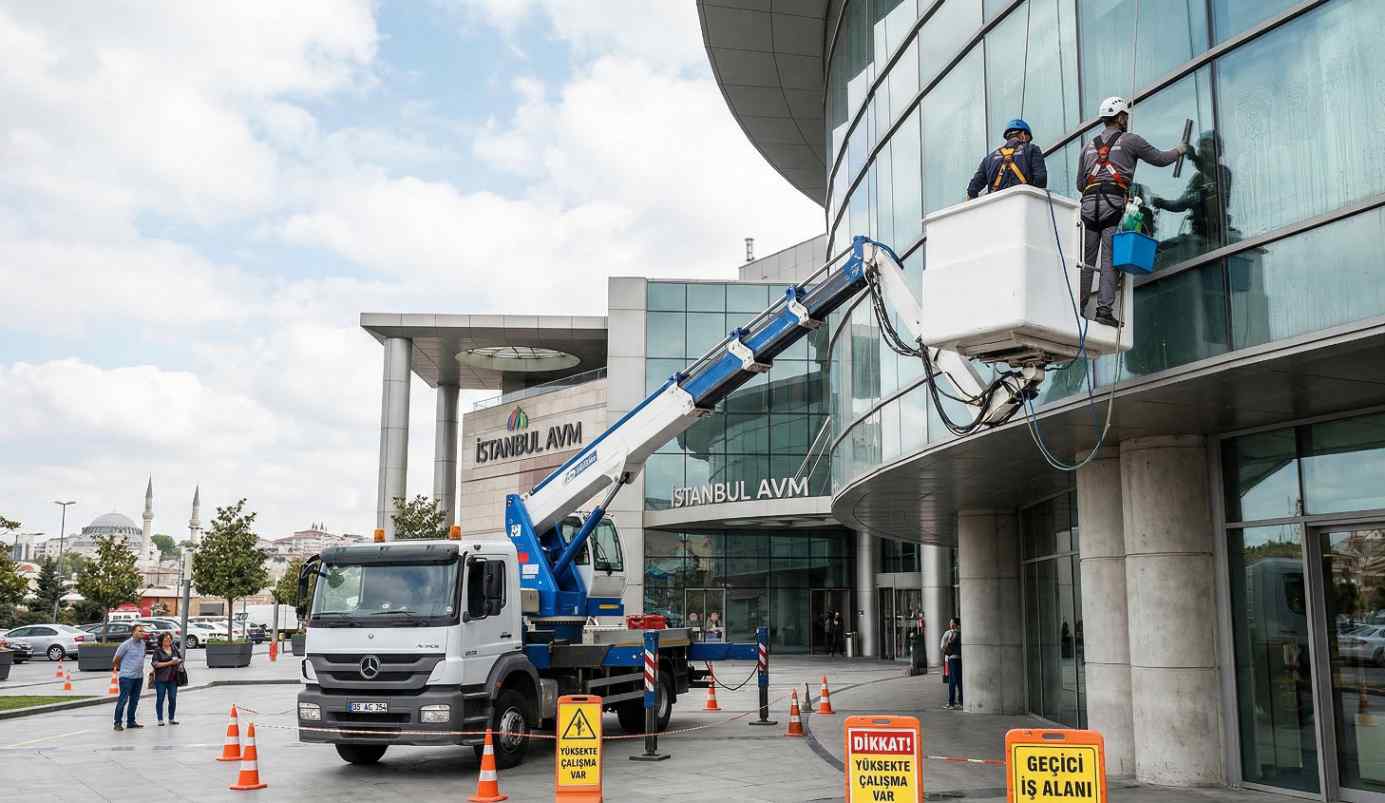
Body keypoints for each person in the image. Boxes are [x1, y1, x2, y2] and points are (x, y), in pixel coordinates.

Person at [1076, 96, 1190, 327]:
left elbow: (1080, 184)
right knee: (1109, 257)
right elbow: (1159, 159)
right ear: (1120, 118)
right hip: (1112, 203)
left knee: (1087, 260)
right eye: (1125, 116)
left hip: (1088, 206)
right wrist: (1179, 150)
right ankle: (1104, 310)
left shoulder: (1087, 147)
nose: (1126, 120)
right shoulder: (1130, 141)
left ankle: (1078, 306)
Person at [967, 118, 1048, 200]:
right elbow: (1041, 178)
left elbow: (972, 189)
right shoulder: (1032, 149)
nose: (1027, 142)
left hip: (997, 204)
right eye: (1027, 139)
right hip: (1022, 200)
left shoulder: (988, 159)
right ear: (1023, 135)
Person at [112, 623, 148, 731]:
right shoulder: (126, 645)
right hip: (127, 677)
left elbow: (142, 656)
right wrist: (123, 669)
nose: (142, 633)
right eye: (140, 631)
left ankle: (131, 722)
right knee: (123, 700)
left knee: (134, 700)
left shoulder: (143, 644)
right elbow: (116, 660)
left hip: (139, 676)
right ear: (133, 632)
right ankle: (117, 722)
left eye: (143, 631)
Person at [151, 632, 183, 726]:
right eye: (165, 639)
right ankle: (160, 719)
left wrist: (178, 662)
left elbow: (180, 658)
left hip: (173, 678)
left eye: (169, 639)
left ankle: (171, 718)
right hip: (161, 679)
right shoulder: (158, 651)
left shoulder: (174, 649)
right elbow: (155, 664)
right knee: (160, 698)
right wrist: (170, 663)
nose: (168, 641)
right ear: (161, 641)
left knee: (172, 698)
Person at [940, 618, 962, 710]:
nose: (950, 624)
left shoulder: (952, 633)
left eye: (951, 622)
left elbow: (945, 646)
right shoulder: (962, 633)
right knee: (959, 681)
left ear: (955, 624)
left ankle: (951, 703)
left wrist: (946, 648)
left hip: (953, 658)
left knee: (952, 681)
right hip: (960, 659)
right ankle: (961, 702)